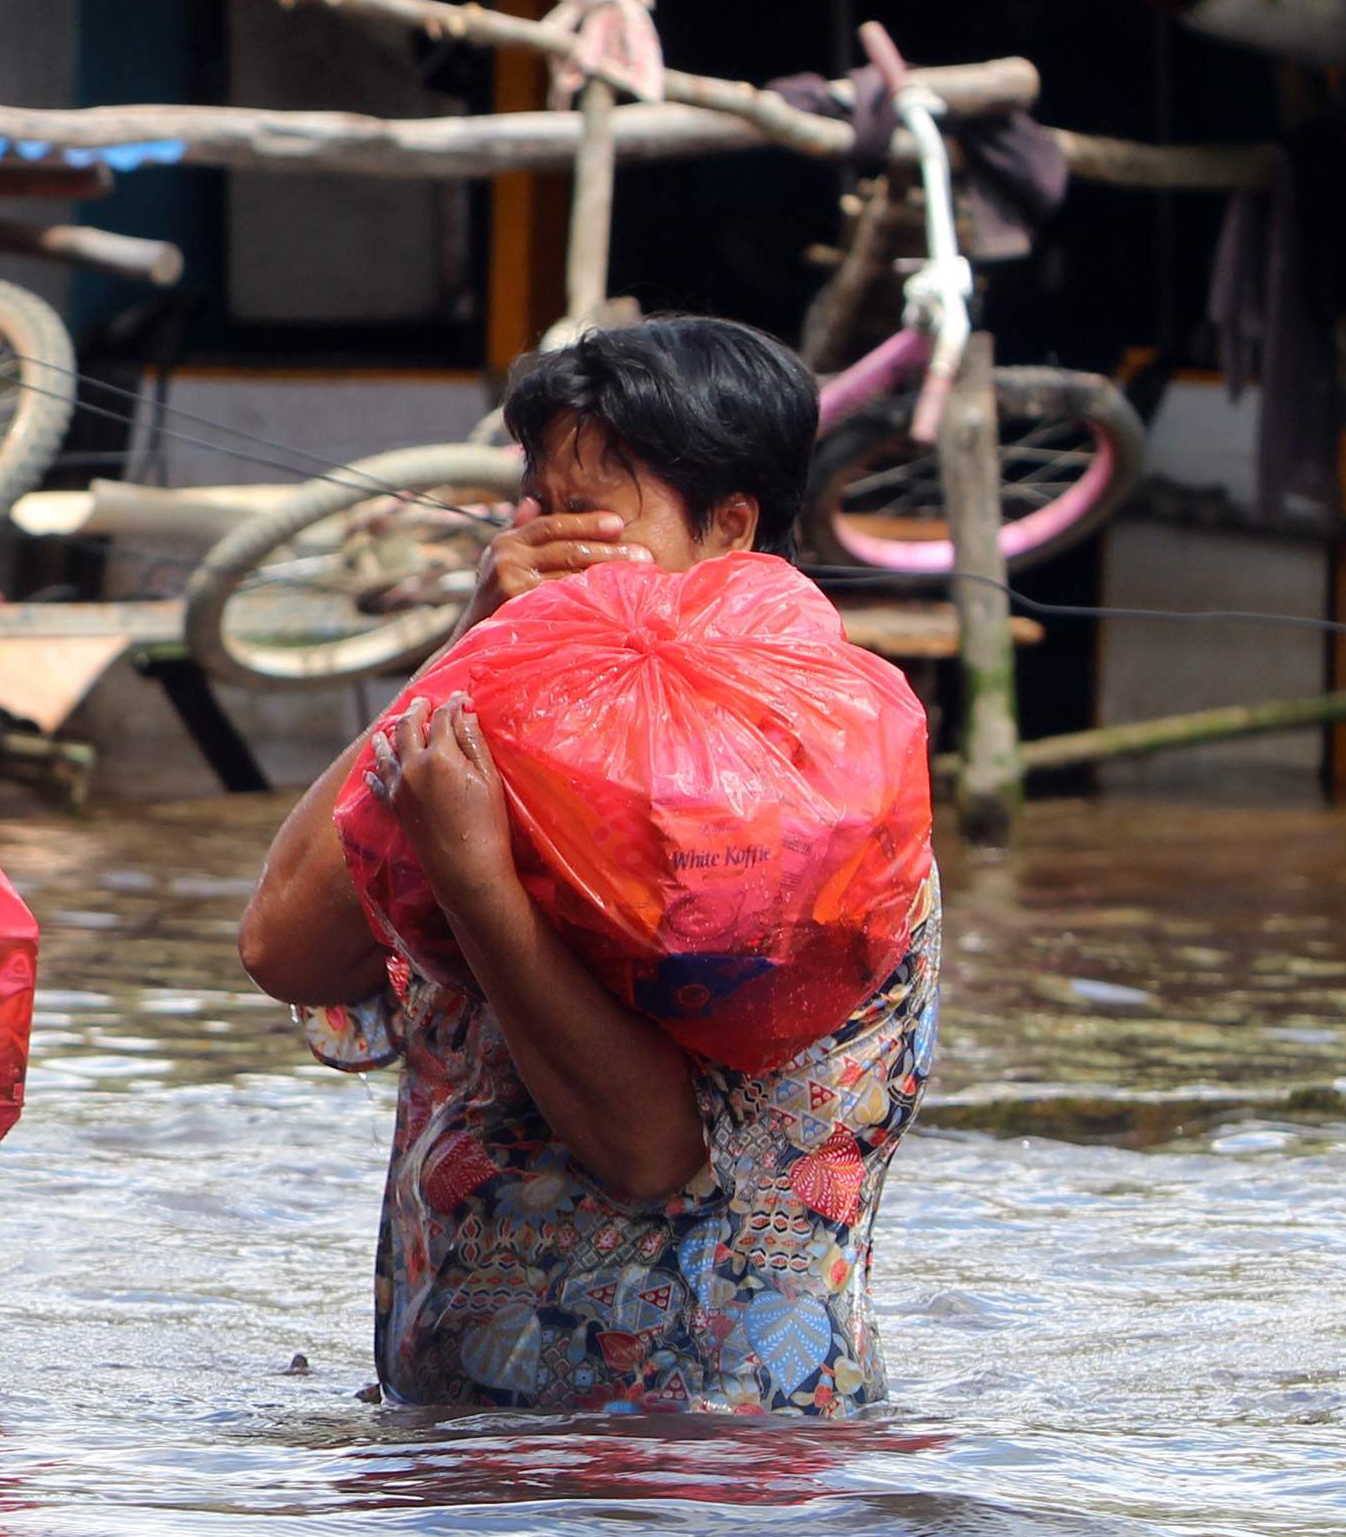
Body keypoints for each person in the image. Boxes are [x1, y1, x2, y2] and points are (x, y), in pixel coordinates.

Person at [235, 317, 940, 1416]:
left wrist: (479, 890)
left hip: (713, 1465)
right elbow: (285, 947)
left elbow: (649, 1150)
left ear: (731, 529)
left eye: (588, 517)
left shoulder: (811, 800)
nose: (546, 544)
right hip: (467, 1464)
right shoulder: (514, 745)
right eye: (538, 509)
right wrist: (471, 641)